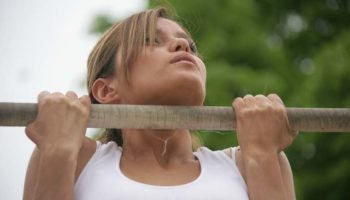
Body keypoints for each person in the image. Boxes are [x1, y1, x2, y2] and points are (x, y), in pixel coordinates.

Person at [23, 7, 298, 200]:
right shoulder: (76, 157)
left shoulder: (247, 162)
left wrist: (262, 155)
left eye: (190, 47)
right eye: (151, 41)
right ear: (106, 90)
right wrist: (57, 150)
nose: (182, 45)